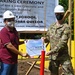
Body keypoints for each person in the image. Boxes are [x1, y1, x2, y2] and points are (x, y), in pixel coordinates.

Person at [43, 5, 74, 75]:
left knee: (69, 73)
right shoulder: (52, 26)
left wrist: (52, 51)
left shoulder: (66, 27)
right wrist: (44, 39)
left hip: (63, 56)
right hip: (53, 58)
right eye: (57, 14)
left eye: (60, 14)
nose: (58, 15)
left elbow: (62, 43)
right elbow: (48, 38)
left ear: (63, 14)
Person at [0, 10, 29, 75]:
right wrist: (21, 53)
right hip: (6, 60)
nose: (11, 21)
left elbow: (15, 42)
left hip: (14, 60)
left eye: (12, 19)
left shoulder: (14, 30)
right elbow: (9, 46)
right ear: (5, 21)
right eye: (9, 20)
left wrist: (24, 42)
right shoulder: (3, 32)